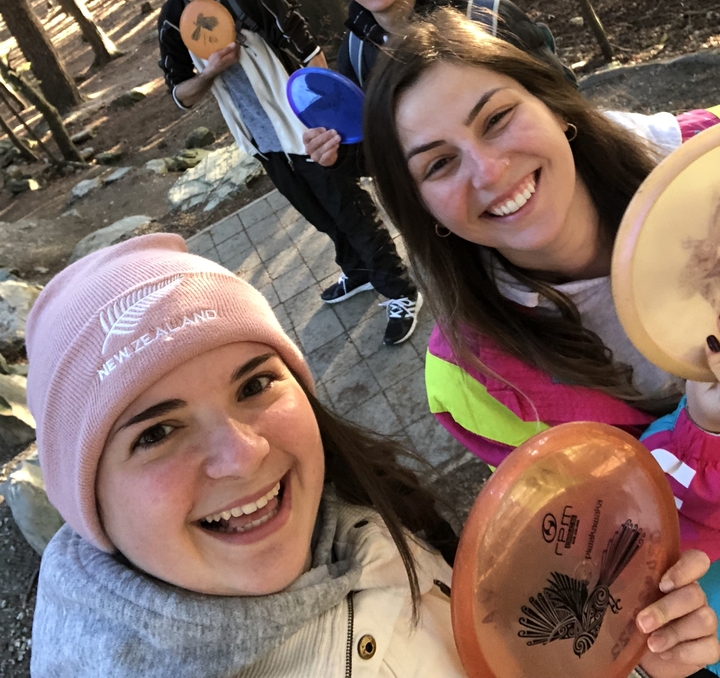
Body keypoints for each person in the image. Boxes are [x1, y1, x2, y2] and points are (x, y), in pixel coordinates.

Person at [24, 234, 718, 678]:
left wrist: (627, 655)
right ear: (89, 504)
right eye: (155, 433)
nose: (240, 454)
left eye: (255, 384)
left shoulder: (358, 519)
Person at [363, 8, 720, 674]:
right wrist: (702, 430)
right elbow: (609, 547)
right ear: (424, 212)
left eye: (496, 118)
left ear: (555, 104)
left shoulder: (706, 164)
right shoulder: (470, 379)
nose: (489, 170)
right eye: (439, 163)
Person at [128, 0, 421, 346]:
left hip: (301, 127)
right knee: (318, 213)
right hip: (262, 141)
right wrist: (211, 72)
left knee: (348, 209)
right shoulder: (172, 22)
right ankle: (358, 272)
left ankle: (400, 290)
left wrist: (325, 120)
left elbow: (307, 48)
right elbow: (181, 94)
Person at [303, 0, 574, 170]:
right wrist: (340, 153)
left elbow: (565, 103)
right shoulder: (355, 55)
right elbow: (383, 157)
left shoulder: (489, 19)